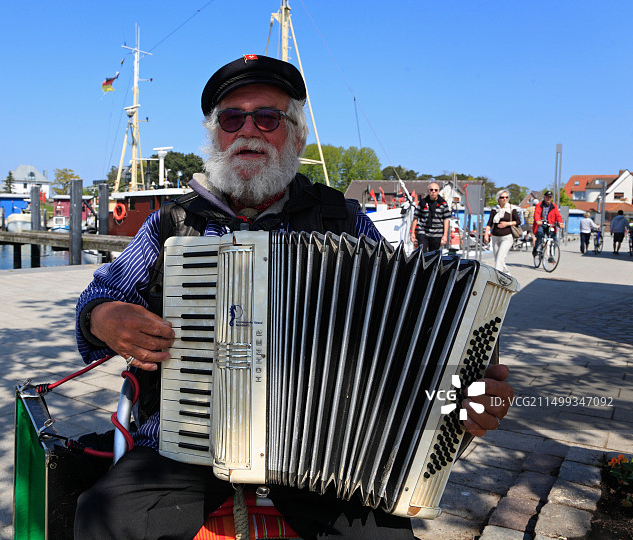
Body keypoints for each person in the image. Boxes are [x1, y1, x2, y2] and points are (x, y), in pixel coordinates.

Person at [72, 55, 514, 540]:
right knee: (104, 516)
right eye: (231, 118)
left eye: (268, 117)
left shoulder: (343, 222)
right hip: (187, 447)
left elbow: (419, 328)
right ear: (214, 136)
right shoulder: (173, 223)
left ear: (297, 136)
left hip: (333, 451)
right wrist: (103, 317)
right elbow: (102, 294)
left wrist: (464, 395)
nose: (248, 130)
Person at [483, 190, 520, 273]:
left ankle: (496, 278)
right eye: (502, 197)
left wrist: (507, 223)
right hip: (495, 237)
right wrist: (486, 234)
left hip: (507, 237)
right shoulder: (494, 209)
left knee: (500, 259)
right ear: (498, 199)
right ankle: (507, 275)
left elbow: (518, 221)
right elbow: (490, 223)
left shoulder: (511, 209)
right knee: (498, 259)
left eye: (506, 197)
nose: (504, 199)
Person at [410, 182, 450, 252]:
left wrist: (445, 235)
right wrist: (412, 233)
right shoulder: (422, 203)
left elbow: (446, 220)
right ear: (428, 191)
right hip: (423, 232)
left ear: (438, 191)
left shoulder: (443, 204)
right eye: (431, 190)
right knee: (422, 253)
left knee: (433, 255)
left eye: (435, 190)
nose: (433, 192)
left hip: (437, 234)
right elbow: (415, 217)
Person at [532, 190, 563, 256]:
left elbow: (558, 215)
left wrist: (560, 223)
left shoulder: (554, 206)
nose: (548, 198)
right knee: (540, 233)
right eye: (547, 197)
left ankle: (551, 255)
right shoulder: (539, 205)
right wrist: (538, 220)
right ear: (544, 197)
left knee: (554, 238)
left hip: (550, 224)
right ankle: (536, 247)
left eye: (550, 197)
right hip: (542, 223)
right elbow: (536, 214)